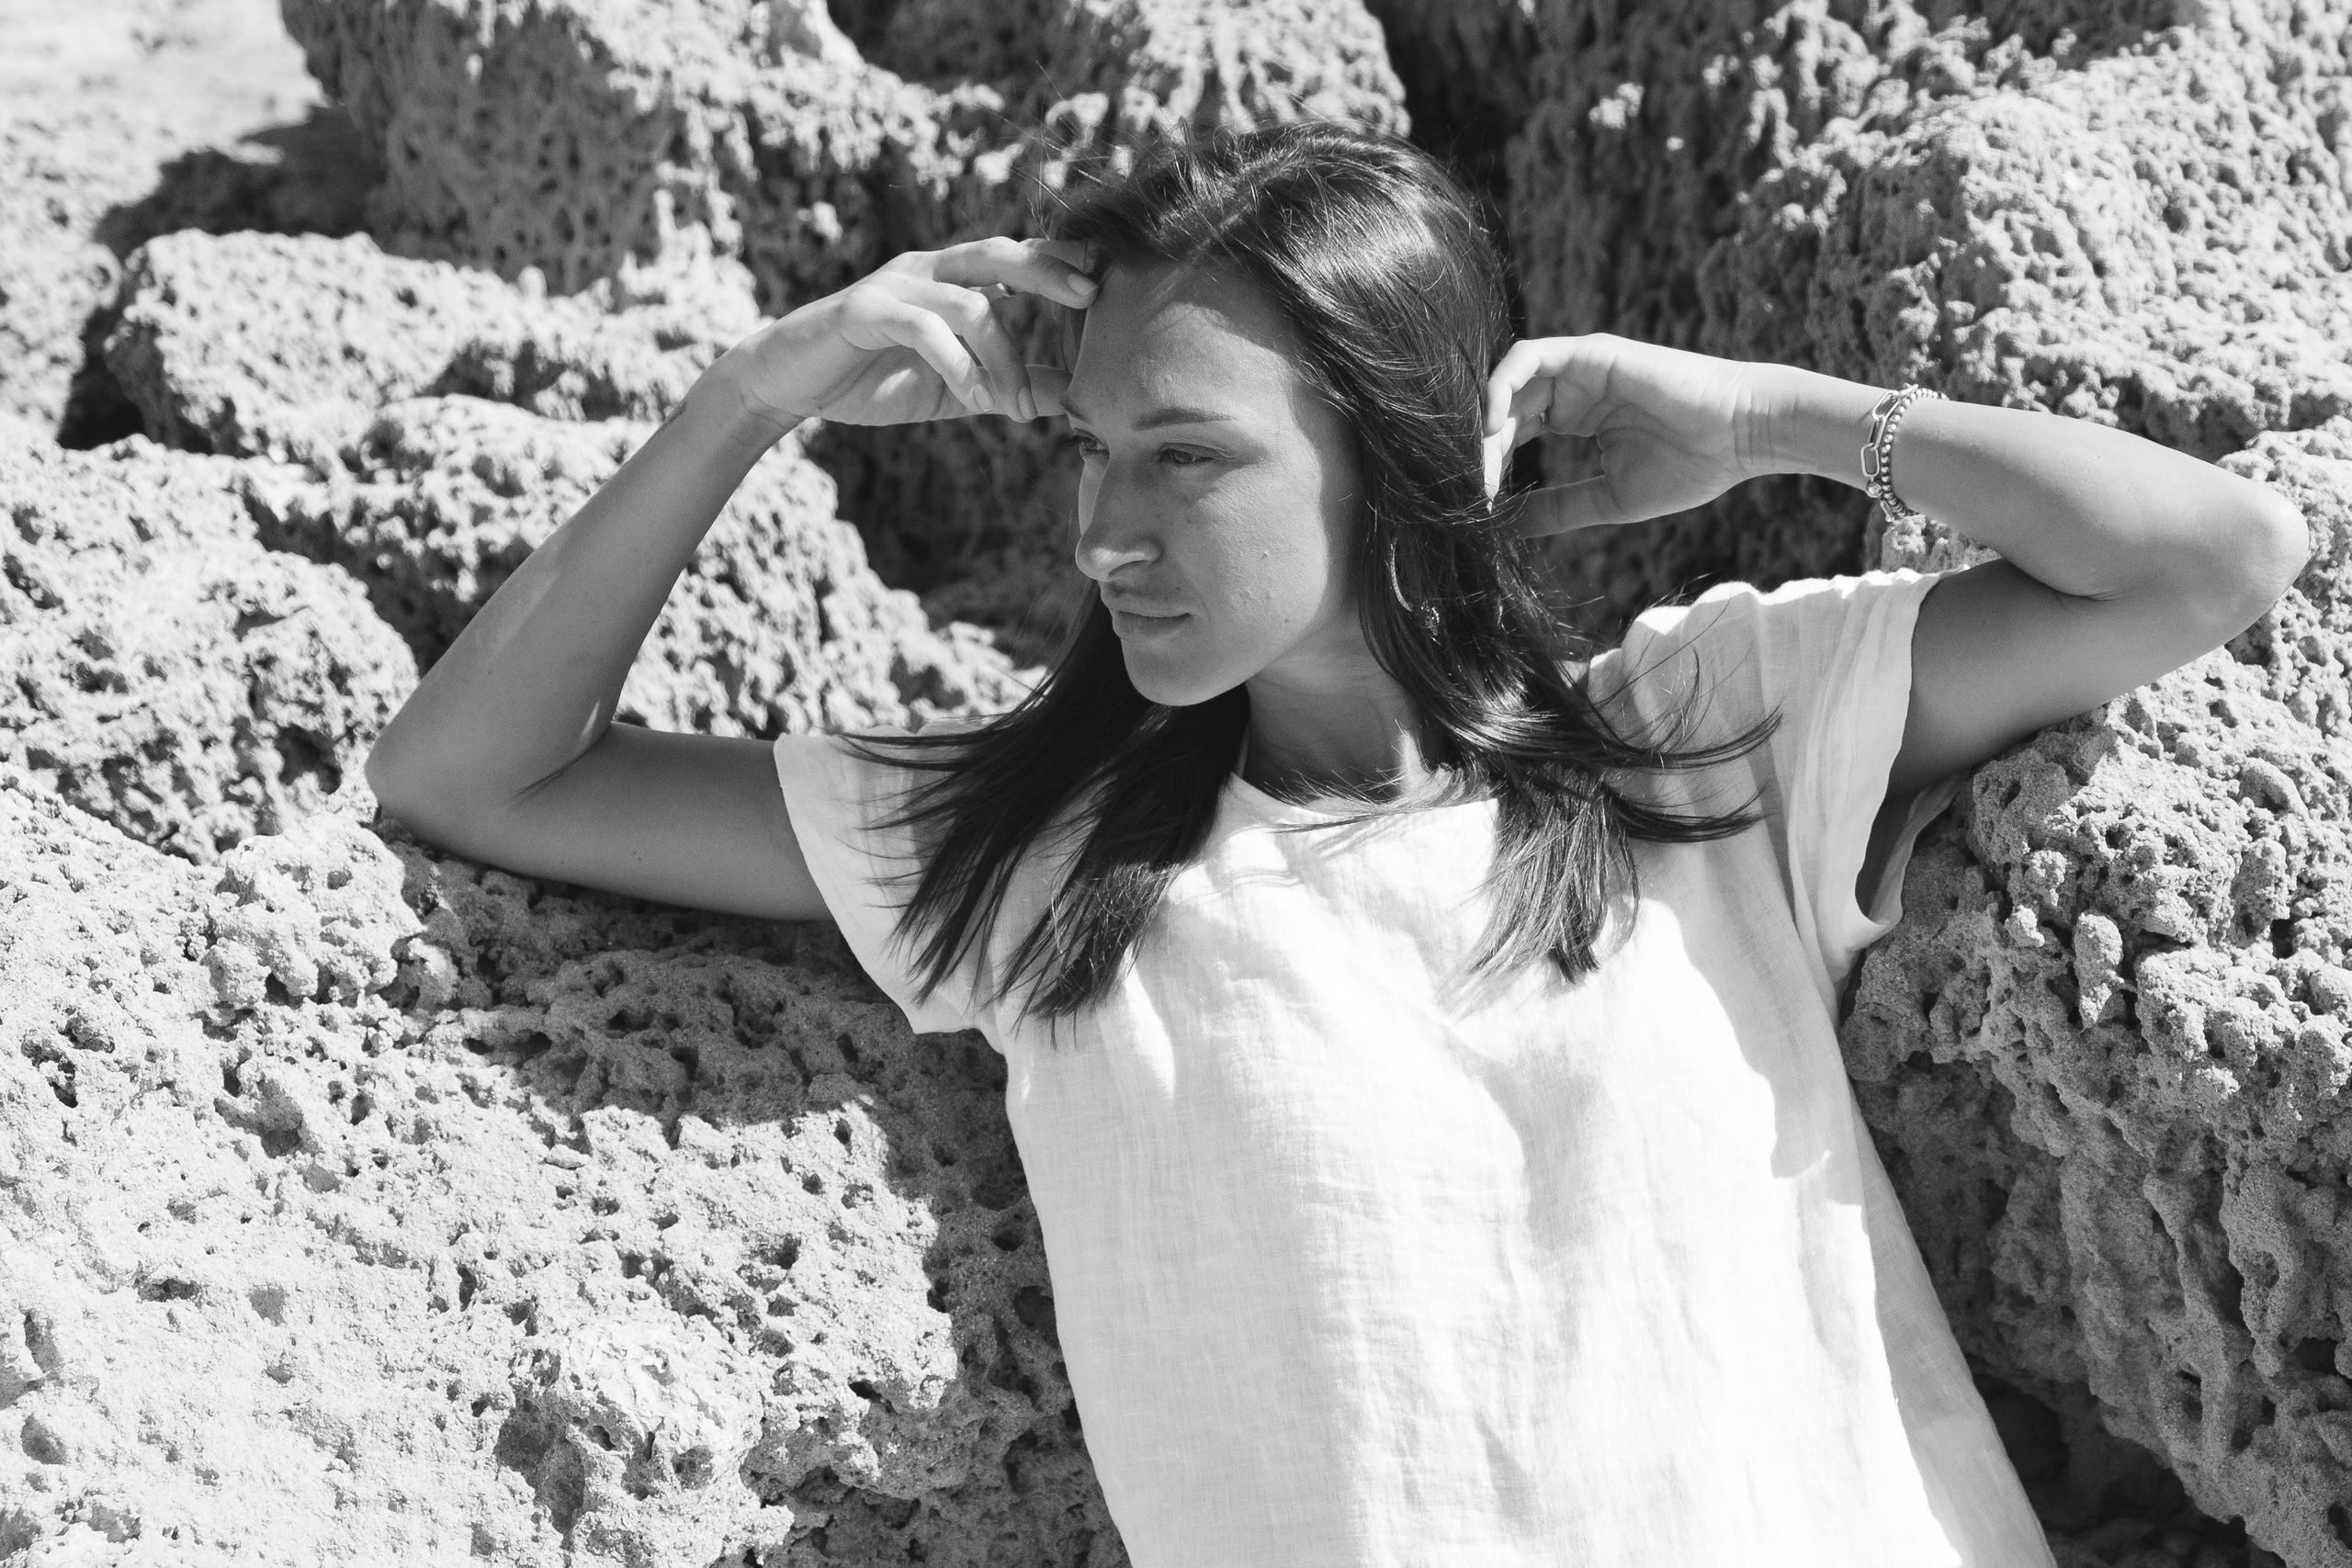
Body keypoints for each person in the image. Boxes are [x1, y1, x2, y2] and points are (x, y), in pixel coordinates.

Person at [365, 121, 2308, 1566]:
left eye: (1184, 454)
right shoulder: (1040, 855)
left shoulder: (1695, 736)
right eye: (1090, 449)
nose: (1101, 531)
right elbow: (479, 775)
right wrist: (750, 396)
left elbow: (2213, 557)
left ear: (1394, 450)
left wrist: (1766, 419)